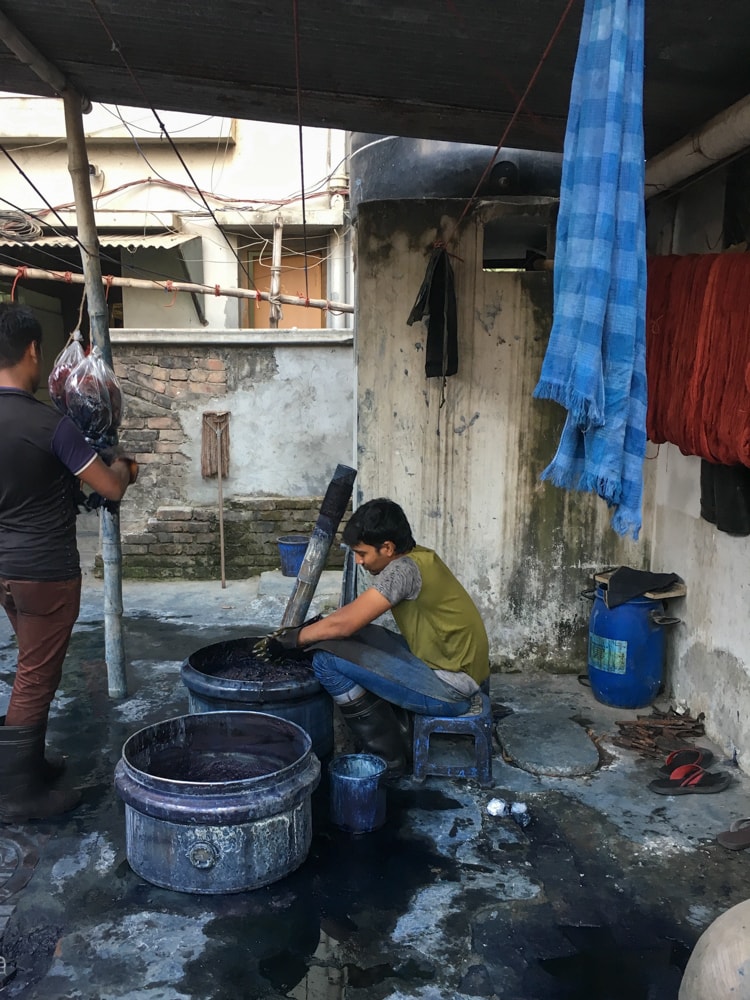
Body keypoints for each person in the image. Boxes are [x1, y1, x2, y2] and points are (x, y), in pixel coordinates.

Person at [0, 303, 138, 821]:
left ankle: (28, 766)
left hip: (7, 573)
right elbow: (108, 487)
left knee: (33, 663)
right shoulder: (48, 424)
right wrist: (122, 465)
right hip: (46, 571)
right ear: (34, 352)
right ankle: (17, 794)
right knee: (37, 674)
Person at [271, 497, 490, 775]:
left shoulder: (402, 570)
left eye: (362, 553)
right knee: (359, 633)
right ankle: (397, 724)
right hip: (459, 670)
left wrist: (294, 639)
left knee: (326, 661)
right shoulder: (420, 556)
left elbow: (345, 624)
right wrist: (313, 631)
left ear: (387, 548)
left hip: (451, 690)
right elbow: (353, 617)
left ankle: (389, 756)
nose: (359, 561)